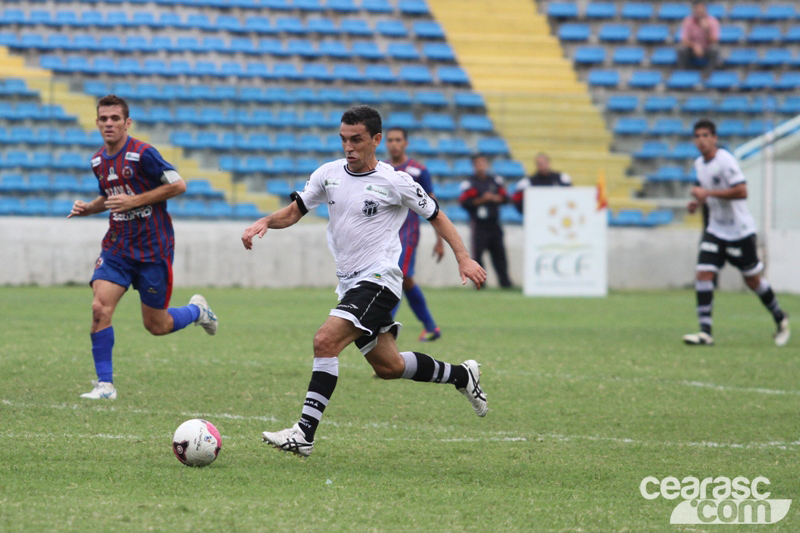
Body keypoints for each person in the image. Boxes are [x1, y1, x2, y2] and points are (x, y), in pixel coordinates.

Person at [242, 106, 488, 457]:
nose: (349, 147)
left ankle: (304, 434)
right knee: (389, 366)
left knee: (325, 341)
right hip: (349, 282)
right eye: (344, 139)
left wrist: (463, 257)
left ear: (375, 140)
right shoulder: (328, 174)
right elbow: (294, 211)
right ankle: (462, 376)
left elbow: (437, 214)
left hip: (380, 279)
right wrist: (264, 222)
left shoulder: (395, 181)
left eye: (356, 140)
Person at [68, 95, 218, 399]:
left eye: (115, 118)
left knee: (157, 325)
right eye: (103, 119)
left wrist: (135, 200)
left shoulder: (143, 154)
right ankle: (105, 386)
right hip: (117, 249)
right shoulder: (98, 161)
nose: (109, 123)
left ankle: (198, 311)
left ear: (127, 123)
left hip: (153, 251)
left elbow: (178, 185)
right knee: (99, 309)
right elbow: (110, 196)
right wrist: (90, 208)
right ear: (97, 122)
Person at [684, 119, 789, 346]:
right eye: (697, 136)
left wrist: (707, 193)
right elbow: (705, 193)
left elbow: (742, 191)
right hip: (715, 229)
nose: (701, 140)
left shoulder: (725, 160)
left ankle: (780, 316)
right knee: (703, 273)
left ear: (714, 138)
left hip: (739, 231)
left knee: (752, 280)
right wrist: (697, 203)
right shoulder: (699, 164)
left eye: (705, 135)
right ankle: (705, 332)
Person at [384, 127, 444, 341]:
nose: (393, 144)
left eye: (398, 140)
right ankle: (431, 328)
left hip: (408, 235)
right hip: (385, 236)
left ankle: (383, 332)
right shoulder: (382, 170)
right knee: (406, 281)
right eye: (390, 140)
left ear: (406, 143)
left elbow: (433, 206)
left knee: (398, 277)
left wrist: (440, 241)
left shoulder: (418, 171)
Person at [459, 154, 513, 288]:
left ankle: (505, 282)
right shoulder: (470, 183)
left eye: (483, 163)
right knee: (478, 255)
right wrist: (482, 200)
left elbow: (506, 198)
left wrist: (493, 198)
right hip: (478, 224)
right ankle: (480, 284)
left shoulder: (495, 180)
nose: (481, 166)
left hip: (494, 223)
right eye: (478, 163)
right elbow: (465, 202)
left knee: (499, 254)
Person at [678, 1, 720, 70]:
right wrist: (694, 46)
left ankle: (709, 73)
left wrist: (706, 30)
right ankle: (685, 72)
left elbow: (714, 41)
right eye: (697, 10)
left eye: (701, 10)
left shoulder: (712, 21)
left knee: (715, 50)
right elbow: (684, 40)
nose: (699, 12)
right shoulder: (688, 21)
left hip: (707, 48)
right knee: (681, 50)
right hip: (692, 49)